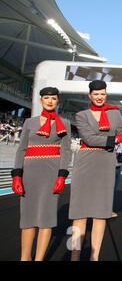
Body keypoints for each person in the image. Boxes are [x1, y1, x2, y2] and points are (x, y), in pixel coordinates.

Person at [68, 80, 122, 261]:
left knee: (101, 213)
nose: (99, 97)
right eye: (96, 94)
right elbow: (89, 138)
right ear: (90, 95)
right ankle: (74, 256)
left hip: (106, 163)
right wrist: (119, 137)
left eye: (102, 94)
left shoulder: (114, 113)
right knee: (79, 214)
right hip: (85, 163)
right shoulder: (81, 115)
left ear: (106, 95)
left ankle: (94, 257)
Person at [11, 87, 71, 261]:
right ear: (41, 100)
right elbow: (21, 150)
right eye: (46, 98)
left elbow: (66, 151)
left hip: (51, 174)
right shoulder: (30, 122)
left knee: (47, 219)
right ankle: (25, 257)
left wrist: (62, 175)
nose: (50, 101)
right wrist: (17, 175)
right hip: (29, 173)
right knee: (28, 218)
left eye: (53, 98)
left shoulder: (65, 123)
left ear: (58, 101)